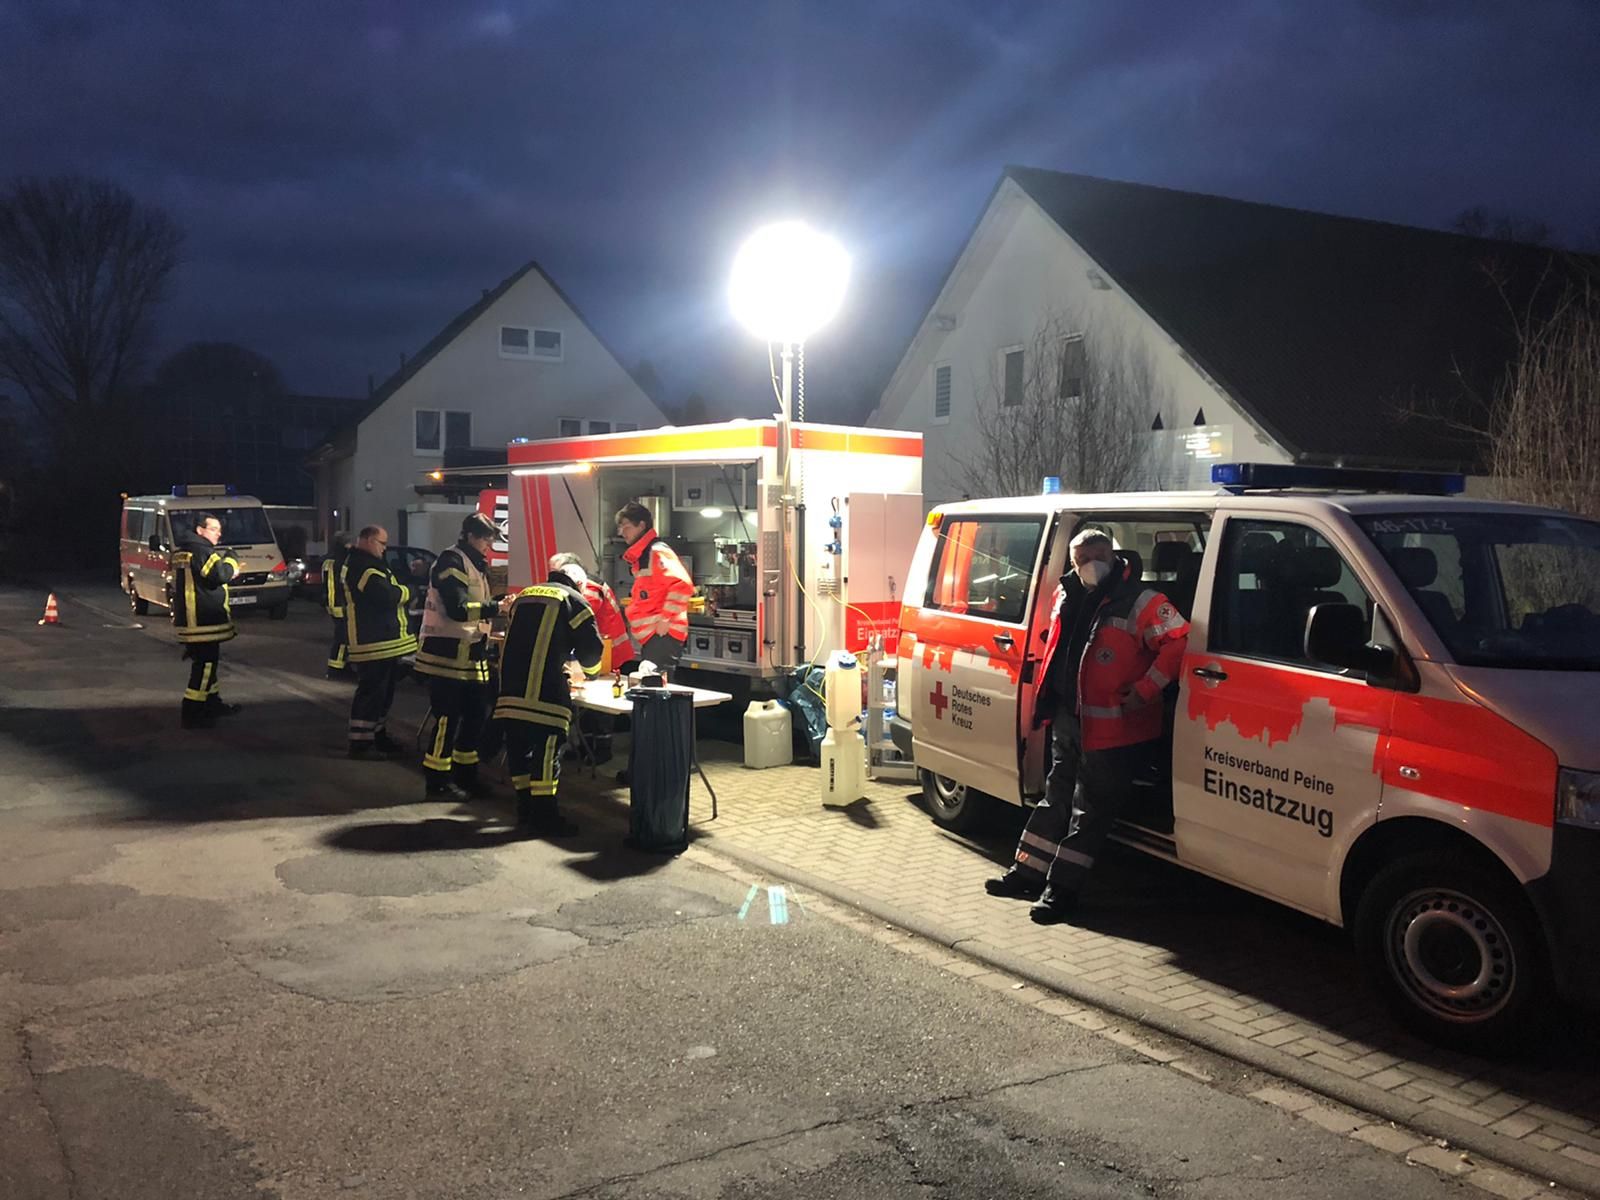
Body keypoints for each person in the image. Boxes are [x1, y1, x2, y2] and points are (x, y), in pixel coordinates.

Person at [985, 529, 1190, 924]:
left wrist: (1146, 689)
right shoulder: (1067, 592)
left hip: (1114, 726)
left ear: (1113, 555)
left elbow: (1178, 643)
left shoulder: (1144, 601)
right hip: (1069, 715)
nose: (1091, 565)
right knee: (1056, 794)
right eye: (1081, 560)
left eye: (1098, 556)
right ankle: (1027, 872)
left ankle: (1061, 890)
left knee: (1089, 809)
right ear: (1073, 563)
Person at [493, 566, 604, 834]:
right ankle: (545, 817)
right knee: (546, 752)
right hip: (546, 694)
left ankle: (524, 809)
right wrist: (591, 674)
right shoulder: (574, 601)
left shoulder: (525, 596)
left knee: (518, 750)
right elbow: (591, 650)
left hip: (510, 690)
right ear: (579, 584)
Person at [414, 513, 498, 799]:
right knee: (447, 720)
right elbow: (458, 609)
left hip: (470, 656)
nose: (489, 544)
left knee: (475, 717)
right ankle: (437, 781)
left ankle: (466, 775)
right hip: (445, 656)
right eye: (486, 538)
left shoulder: (473, 563)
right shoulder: (451, 562)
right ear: (470, 536)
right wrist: (495, 608)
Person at [342, 525, 418, 758]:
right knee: (372, 694)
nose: (385, 549)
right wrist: (410, 591)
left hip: (383, 641)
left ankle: (377, 735)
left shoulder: (370, 564)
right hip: (372, 641)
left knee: (382, 694)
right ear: (367, 540)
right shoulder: (363, 567)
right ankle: (360, 744)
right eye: (382, 543)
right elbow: (386, 595)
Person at [171, 512, 242, 729]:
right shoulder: (202, 551)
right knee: (205, 666)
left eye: (219, 529)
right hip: (203, 620)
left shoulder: (184, 551)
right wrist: (232, 560)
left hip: (192, 619)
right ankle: (192, 711)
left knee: (209, 665)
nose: (218, 534)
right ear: (199, 530)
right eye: (213, 529)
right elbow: (220, 575)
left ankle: (212, 703)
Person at [615, 501, 693, 674]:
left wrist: (665, 620)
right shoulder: (644, 556)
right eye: (620, 528)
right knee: (654, 682)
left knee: (656, 684)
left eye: (626, 527)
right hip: (655, 637)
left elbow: (682, 585)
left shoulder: (656, 552)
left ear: (641, 525)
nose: (622, 533)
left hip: (662, 636)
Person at [550, 551, 633, 674]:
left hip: (610, 653)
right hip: (607, 650)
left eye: (558, 572)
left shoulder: (588, 589)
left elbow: (577, 619)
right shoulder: (587, 584)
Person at [322, 530, 354, 678]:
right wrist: (336, 605)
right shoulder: (336, 561)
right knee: (342, 637)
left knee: (345, 637)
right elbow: (332, 586)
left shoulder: (335, 559)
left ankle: (342, 665)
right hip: (339, 605)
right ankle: (335, 669)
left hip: (339, 604)